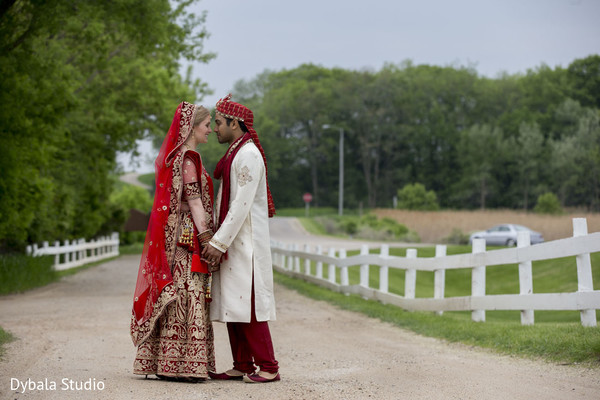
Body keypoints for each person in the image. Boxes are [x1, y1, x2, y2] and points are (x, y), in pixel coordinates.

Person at [130, 101, 216, 381]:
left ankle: (166, 362)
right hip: (186, 237)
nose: (210, 131)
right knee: (187, 292)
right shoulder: (188, 158)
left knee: (182, 291)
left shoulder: (177, 157)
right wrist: (206, 239)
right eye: (206, 125)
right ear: (192, 128)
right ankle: (182, 364)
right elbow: (193, 202)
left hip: (177, 235)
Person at [202, 94, 280, 383]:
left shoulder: (247, 155)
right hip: (233, 240)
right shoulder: (235, 153)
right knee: (233, 304)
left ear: (236, 124)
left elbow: (241, 205)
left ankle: (269, 367)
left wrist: (217, 242)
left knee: (248, 306)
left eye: (219, 122)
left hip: (244, 242)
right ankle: (243, 365)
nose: (214, 128)